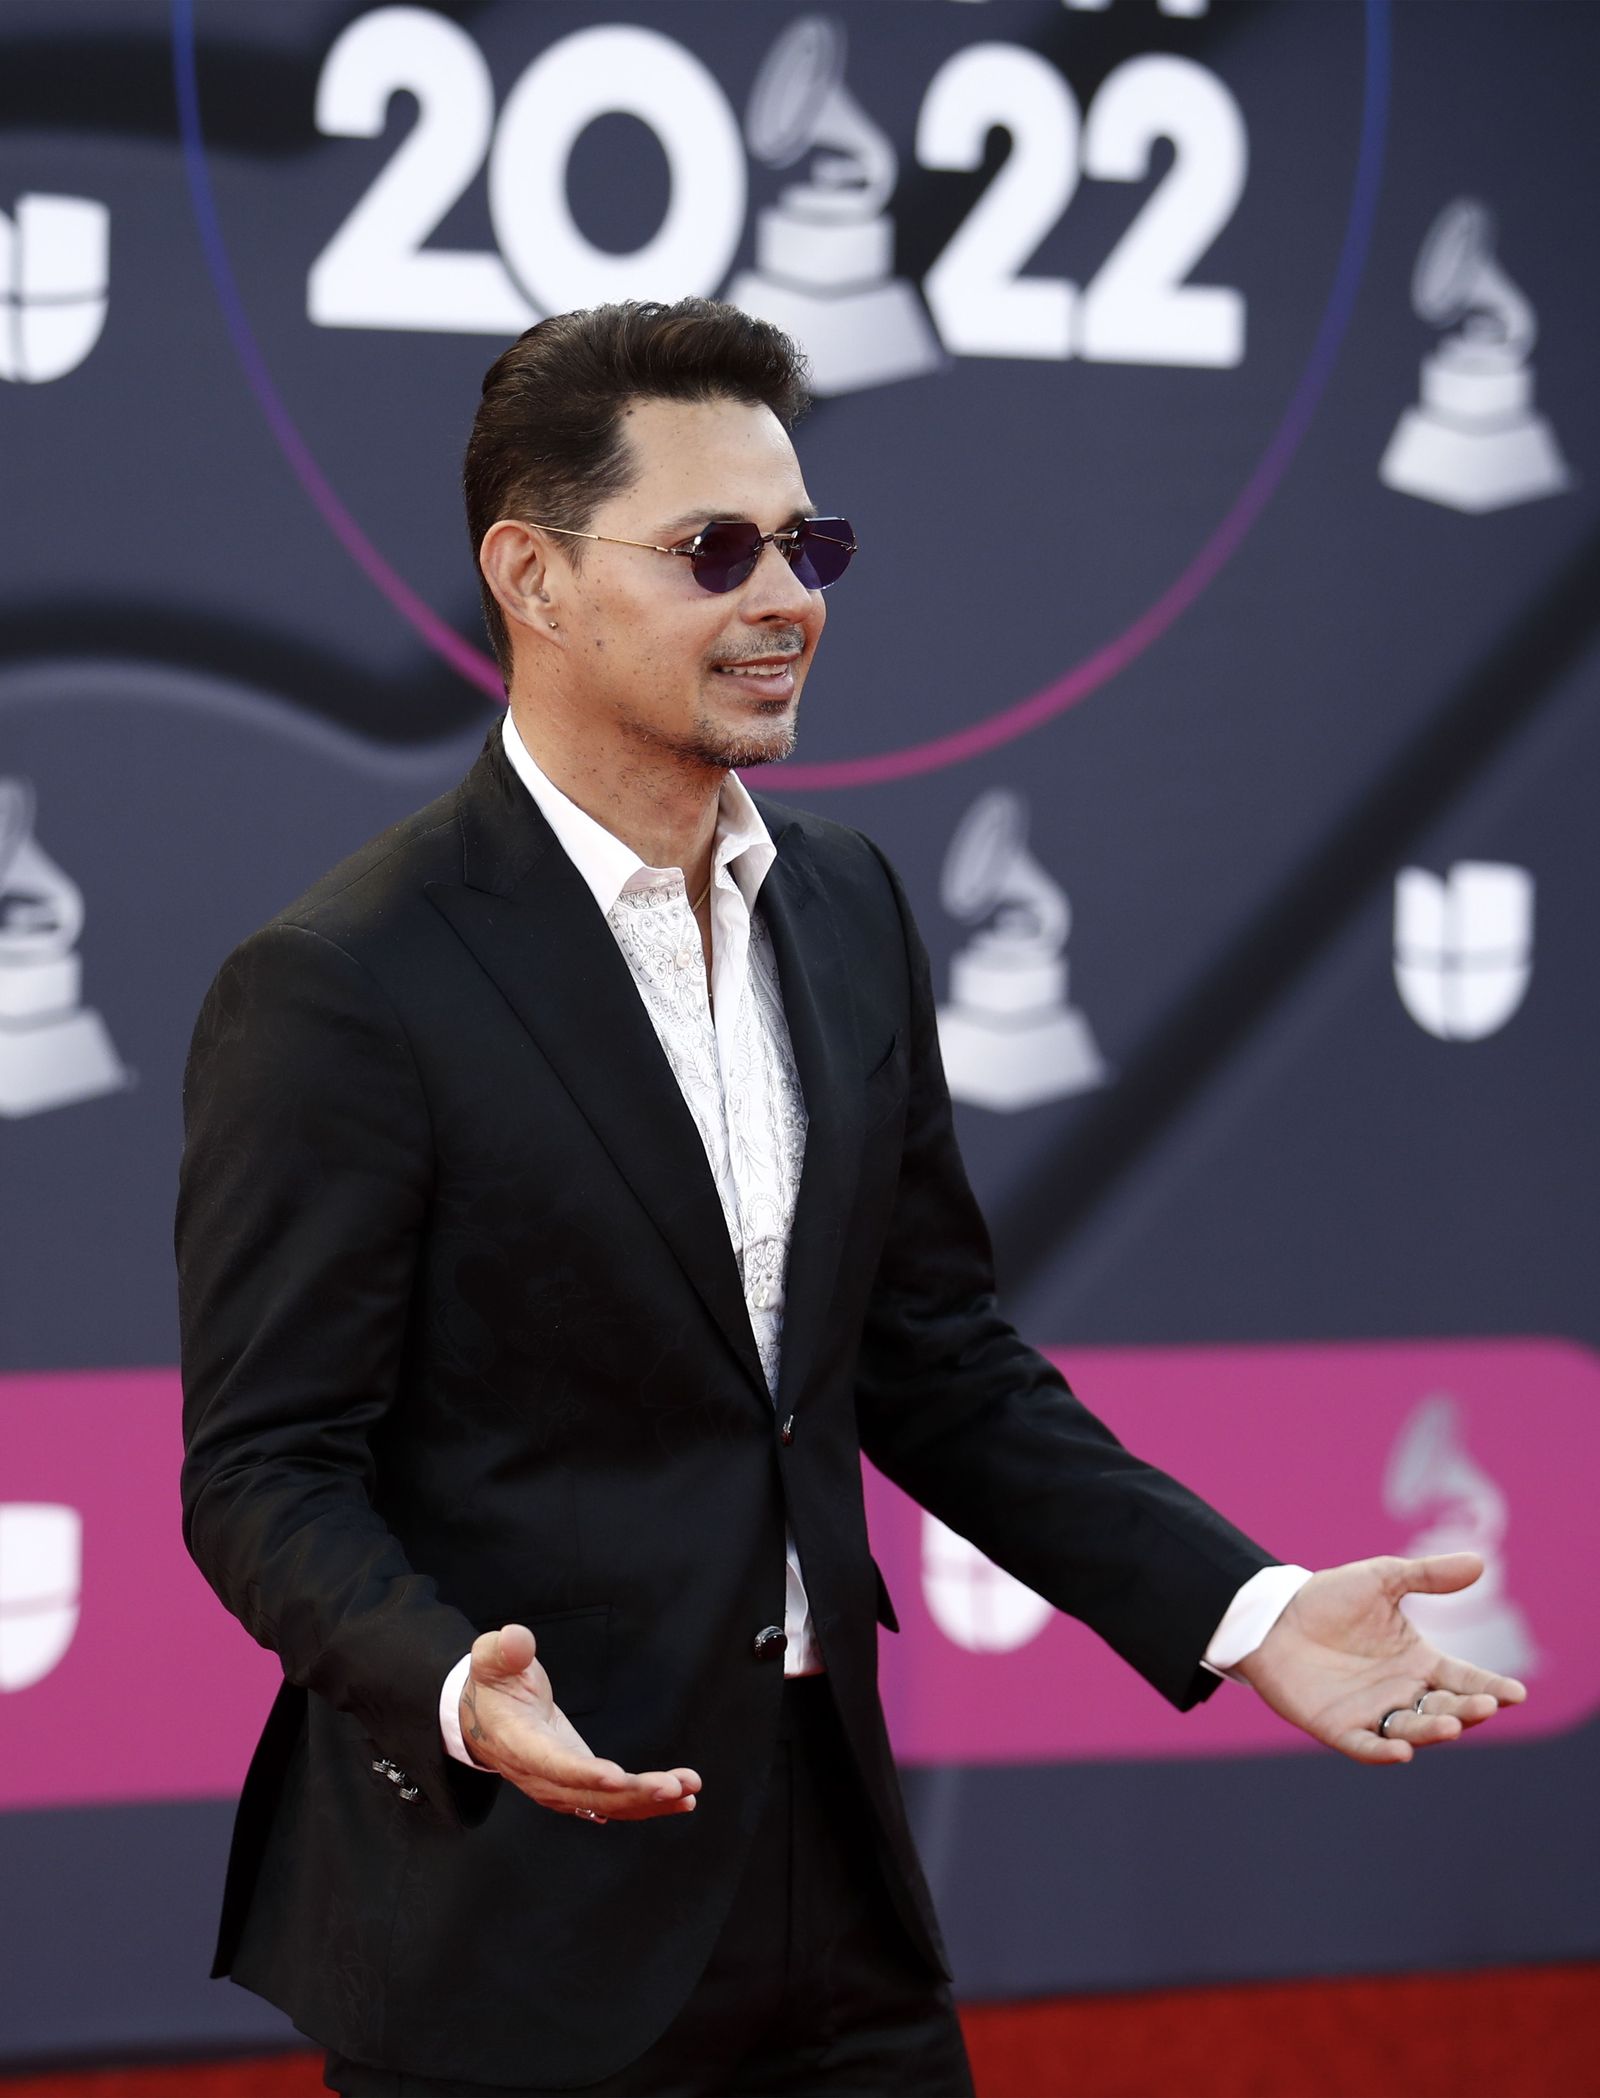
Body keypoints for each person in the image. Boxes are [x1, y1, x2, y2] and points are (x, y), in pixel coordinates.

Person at [176, 299, 1526, 2098]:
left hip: (836, 1880)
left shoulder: (852, 905)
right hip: (510, 1919)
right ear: (534, 574)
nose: (786, 595)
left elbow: (934, 1359)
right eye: (711, 549)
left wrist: (1250, 1610)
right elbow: (264, 1468)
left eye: (808, 545)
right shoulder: (347, 981)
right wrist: (444, 1679)